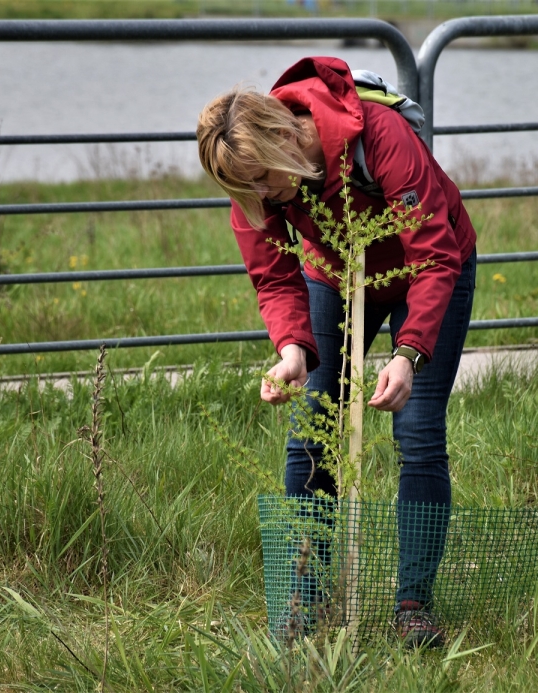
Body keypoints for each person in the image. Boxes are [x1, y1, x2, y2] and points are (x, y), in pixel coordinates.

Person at [197, 56, 477, 648]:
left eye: (263, 180)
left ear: (284, 137)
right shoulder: (252, 186)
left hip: (430, 266)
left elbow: (434, 254)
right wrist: (293, 349)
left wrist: (408, 353)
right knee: (312, 428)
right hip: (336, 274)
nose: (258, 197)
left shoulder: (380, 137)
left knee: (418, 430)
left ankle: (414, 608)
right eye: (244, 189)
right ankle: (306, 599)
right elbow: (274, 277)